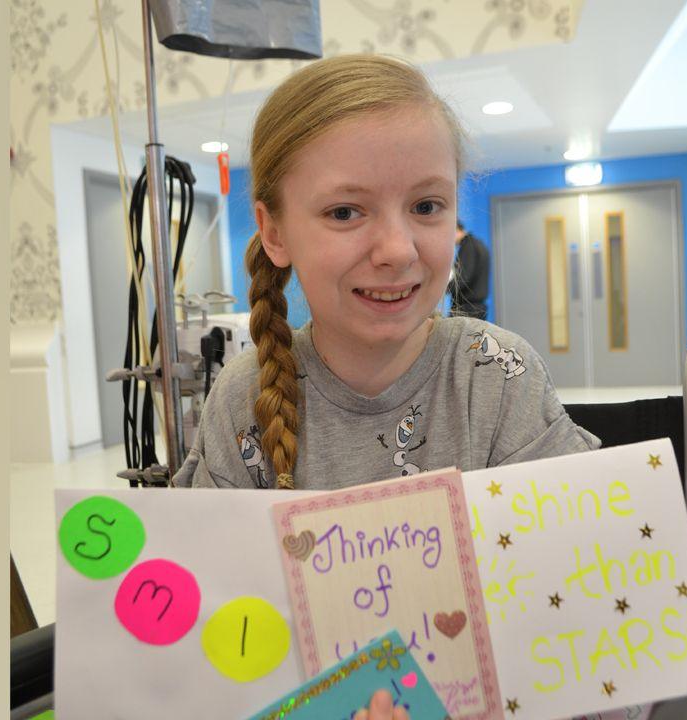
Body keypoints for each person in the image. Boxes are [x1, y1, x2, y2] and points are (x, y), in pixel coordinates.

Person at [171, 51, 605, 720]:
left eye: (427, 205)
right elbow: (212, 646)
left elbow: (583, 621)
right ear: (274, 231)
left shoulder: (499, 378)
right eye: (346, 213)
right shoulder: (244, 399)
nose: (398, 249)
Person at [447, 221, 490, 320]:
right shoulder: (478, 244)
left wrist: (445, 289)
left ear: (455, 229)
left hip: (467, 309)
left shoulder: (468, 246)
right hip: (476, 308)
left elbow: (463, 278)